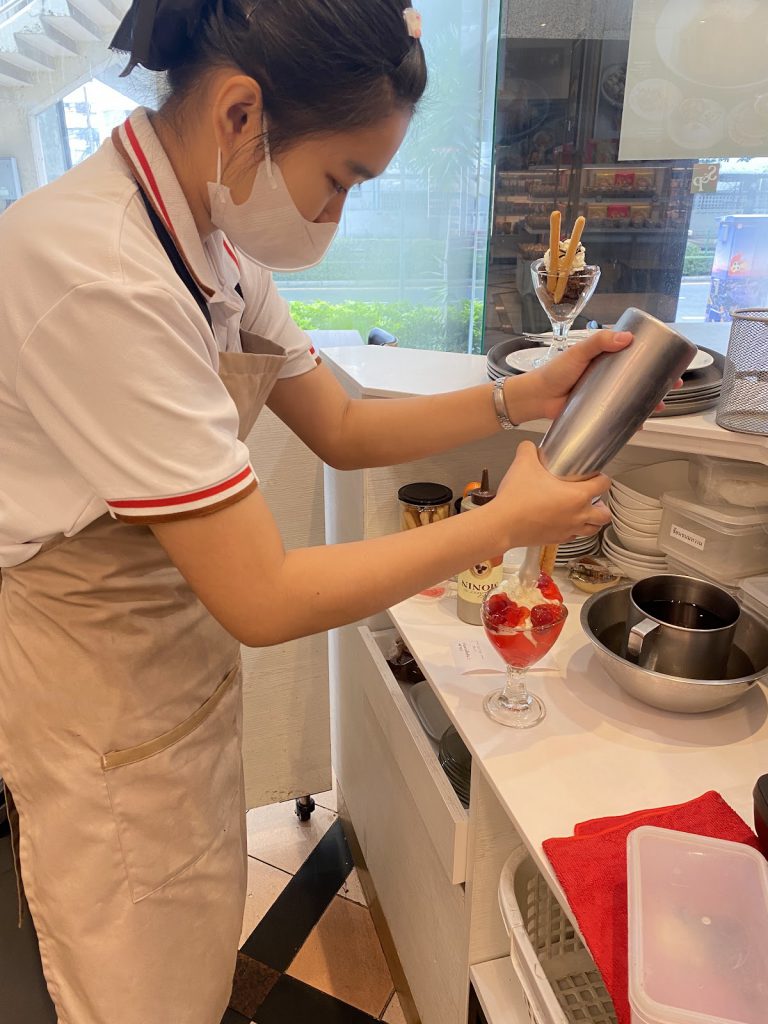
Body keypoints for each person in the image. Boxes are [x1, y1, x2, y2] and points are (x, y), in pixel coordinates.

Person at [0, 1, 622, 1020]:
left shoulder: (209, 237)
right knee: (131, 979)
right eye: (341, 180)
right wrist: (504, 522)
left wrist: (523, 396)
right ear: (241, 113)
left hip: (170, 665)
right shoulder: (94, 271)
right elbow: (263, 593)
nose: (337, 217)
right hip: (92, 683)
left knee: (186, 951)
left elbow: (339, 421)